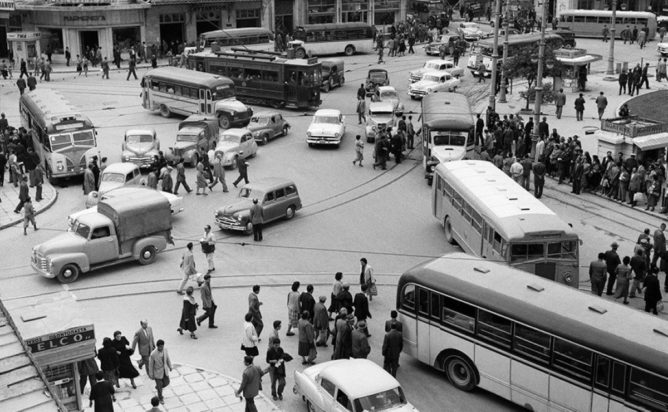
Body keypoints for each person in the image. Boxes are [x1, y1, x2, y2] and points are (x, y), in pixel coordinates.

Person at [148, 340, 172, 405]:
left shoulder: (165, 350)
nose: (161, 348)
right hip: (157, 372)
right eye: (160, 347)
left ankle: (158, 387)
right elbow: (150, 365)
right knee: (160, 387)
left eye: (162, 346)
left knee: (167, 382)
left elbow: (168, 359)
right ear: (157, 346)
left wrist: (170, 366)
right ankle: (160, 398)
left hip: (164, 371)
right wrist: (151, 375)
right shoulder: (153, 354)